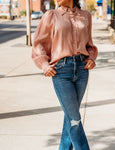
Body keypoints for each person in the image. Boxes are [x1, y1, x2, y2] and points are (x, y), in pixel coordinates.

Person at [31, 0, 98, 149]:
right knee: (74, 118)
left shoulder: (86, 16)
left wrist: (91, 58)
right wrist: (44, 64)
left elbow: (89, 45)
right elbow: (39, 43)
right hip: (61, 71)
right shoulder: (51, 15)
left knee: (70, 117)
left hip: (82, 69)